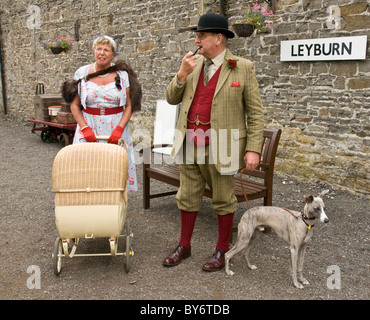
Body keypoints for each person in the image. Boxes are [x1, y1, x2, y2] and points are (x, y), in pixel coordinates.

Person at [163, 13, 264, 271]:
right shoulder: (193, 64)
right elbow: (171, 99)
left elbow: (255, 112)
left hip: (224, 144)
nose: (196, 40)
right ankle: (184, 246)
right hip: (189, 142)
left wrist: (253, 148)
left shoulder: (242, 66)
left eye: (201, 36)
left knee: (223, 198)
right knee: (187, 195)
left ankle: (222, 249)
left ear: (218, 38)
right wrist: (182, 74)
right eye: (196, 35)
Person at [70, 35, 138, 192]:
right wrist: (84, 128)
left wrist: (120, 129)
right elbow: (74, 105)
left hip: (115, 126)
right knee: (87, 165)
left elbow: (129, 105)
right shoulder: (81, 73)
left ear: (113, 54)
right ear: (93, 52)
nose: (102, 53)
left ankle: (113, 202)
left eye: (106, 50)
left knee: (114, 166)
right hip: (88, 124)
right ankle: (90, 200)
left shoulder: (122, 75)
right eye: (98, 49)